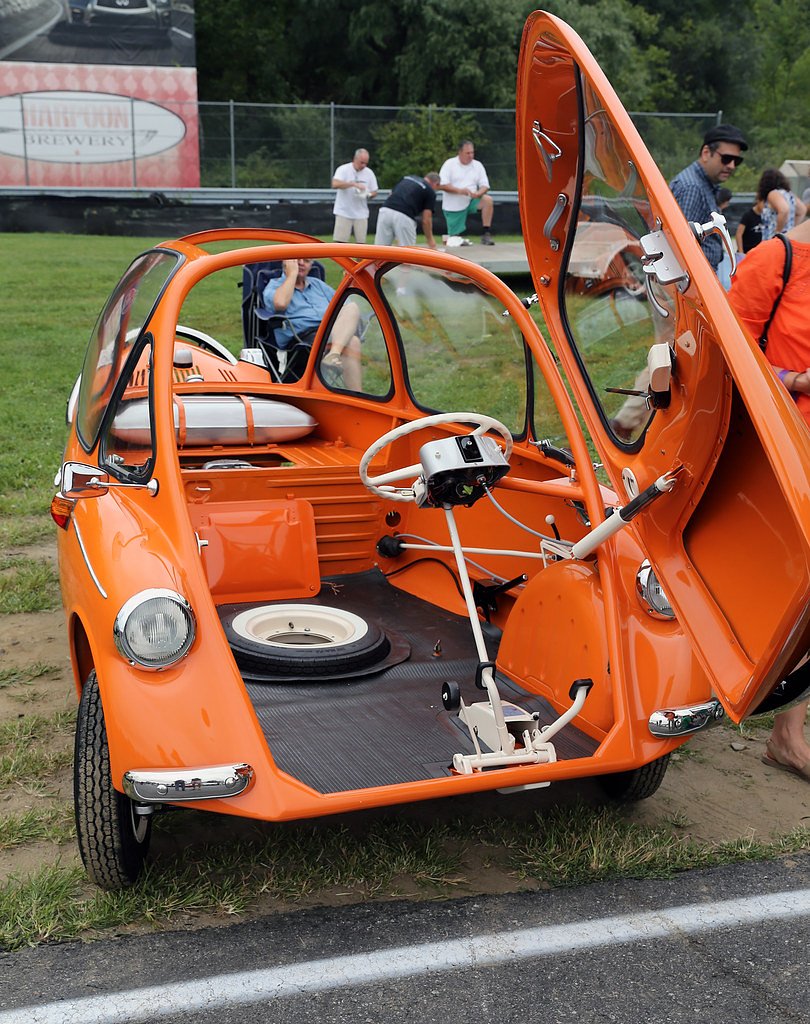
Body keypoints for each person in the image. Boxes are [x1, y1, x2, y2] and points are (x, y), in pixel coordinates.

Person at [729, 218, 810, 780]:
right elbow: (724, 359)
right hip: (783, 452)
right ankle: (785, 731)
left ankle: (787, 727)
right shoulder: (775, 259)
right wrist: (797, 381)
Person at [262, 258, 362, 389]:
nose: (302, 263)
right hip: (302, 337)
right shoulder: (275, 285)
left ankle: (334, 355)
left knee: (352, 307)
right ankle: (356, 394)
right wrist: (291, 275)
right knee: (353, 342)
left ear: (311, 265)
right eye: (297, 260)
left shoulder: (318, 285)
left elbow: (341, 305)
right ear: (287, 263)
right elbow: (280, 303)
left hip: (329, 330)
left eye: (307, 261)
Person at [669, 123, 747, 272]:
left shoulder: (703, 184)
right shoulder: (692, 188)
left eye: (736, 161)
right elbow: (681, 248)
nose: (731, 166)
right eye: (726, 158)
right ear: (706, 153)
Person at [439, 140, 495, 245]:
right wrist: (460, 191)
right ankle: (453, 237)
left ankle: (486, 233)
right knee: (452, 237)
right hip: (453, 204)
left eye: (472, 153)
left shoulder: (477, 165)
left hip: (472, 200)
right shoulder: (449, 164)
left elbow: (485, 185)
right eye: (467, 153)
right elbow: (442, 185)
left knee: (487, 200)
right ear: (460, 152)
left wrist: (479, 193)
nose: (471, 156)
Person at [374, 172, 440, 249]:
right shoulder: (430, 191)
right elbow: (426, 220)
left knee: (380, 250)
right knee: (408, 253)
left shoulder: (407, 178)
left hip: (386, 210)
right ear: (436, 184)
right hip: (404, 216)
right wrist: (430, 240)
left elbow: (391, 194)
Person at [331, 149, 378, 243]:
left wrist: (367, 194)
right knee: (340, 242)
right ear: (355, 159)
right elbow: (335, 184)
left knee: (361, 244)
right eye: (361, 163)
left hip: (361, 213)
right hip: (343, 212)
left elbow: (375, 191)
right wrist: (353, 184)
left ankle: (360, 258)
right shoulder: (343, 169)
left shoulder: (369, 173)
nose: (363, 166)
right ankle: (341, 258)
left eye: (366, 163)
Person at [757, 168, 807, 241]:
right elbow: (802, 210)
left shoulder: (773, 194)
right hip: (787, 239)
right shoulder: (789, 194)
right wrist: (792, 228)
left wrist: (777, 232)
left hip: (774, 241)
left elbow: (784, 210)